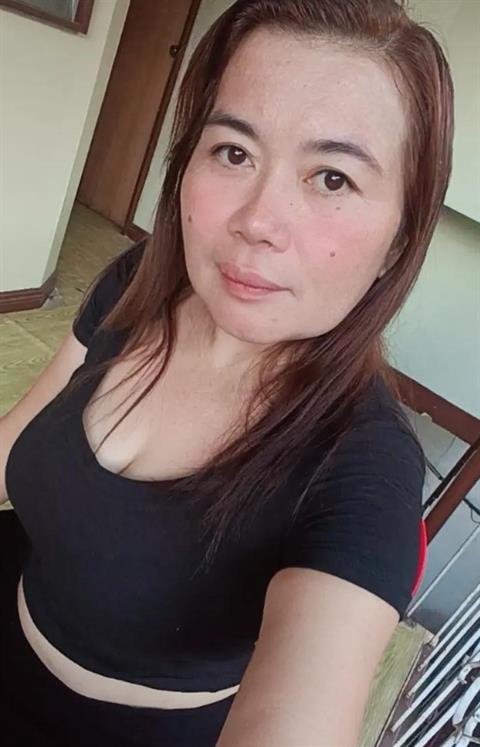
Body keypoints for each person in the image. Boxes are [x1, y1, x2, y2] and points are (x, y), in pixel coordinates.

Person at [0, 0, 452, 744]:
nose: (257, 221)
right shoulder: (140, 284)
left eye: (331, 177)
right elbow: (16, 437)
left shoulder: (363, 471)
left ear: (400, 237)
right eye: (234, 152)